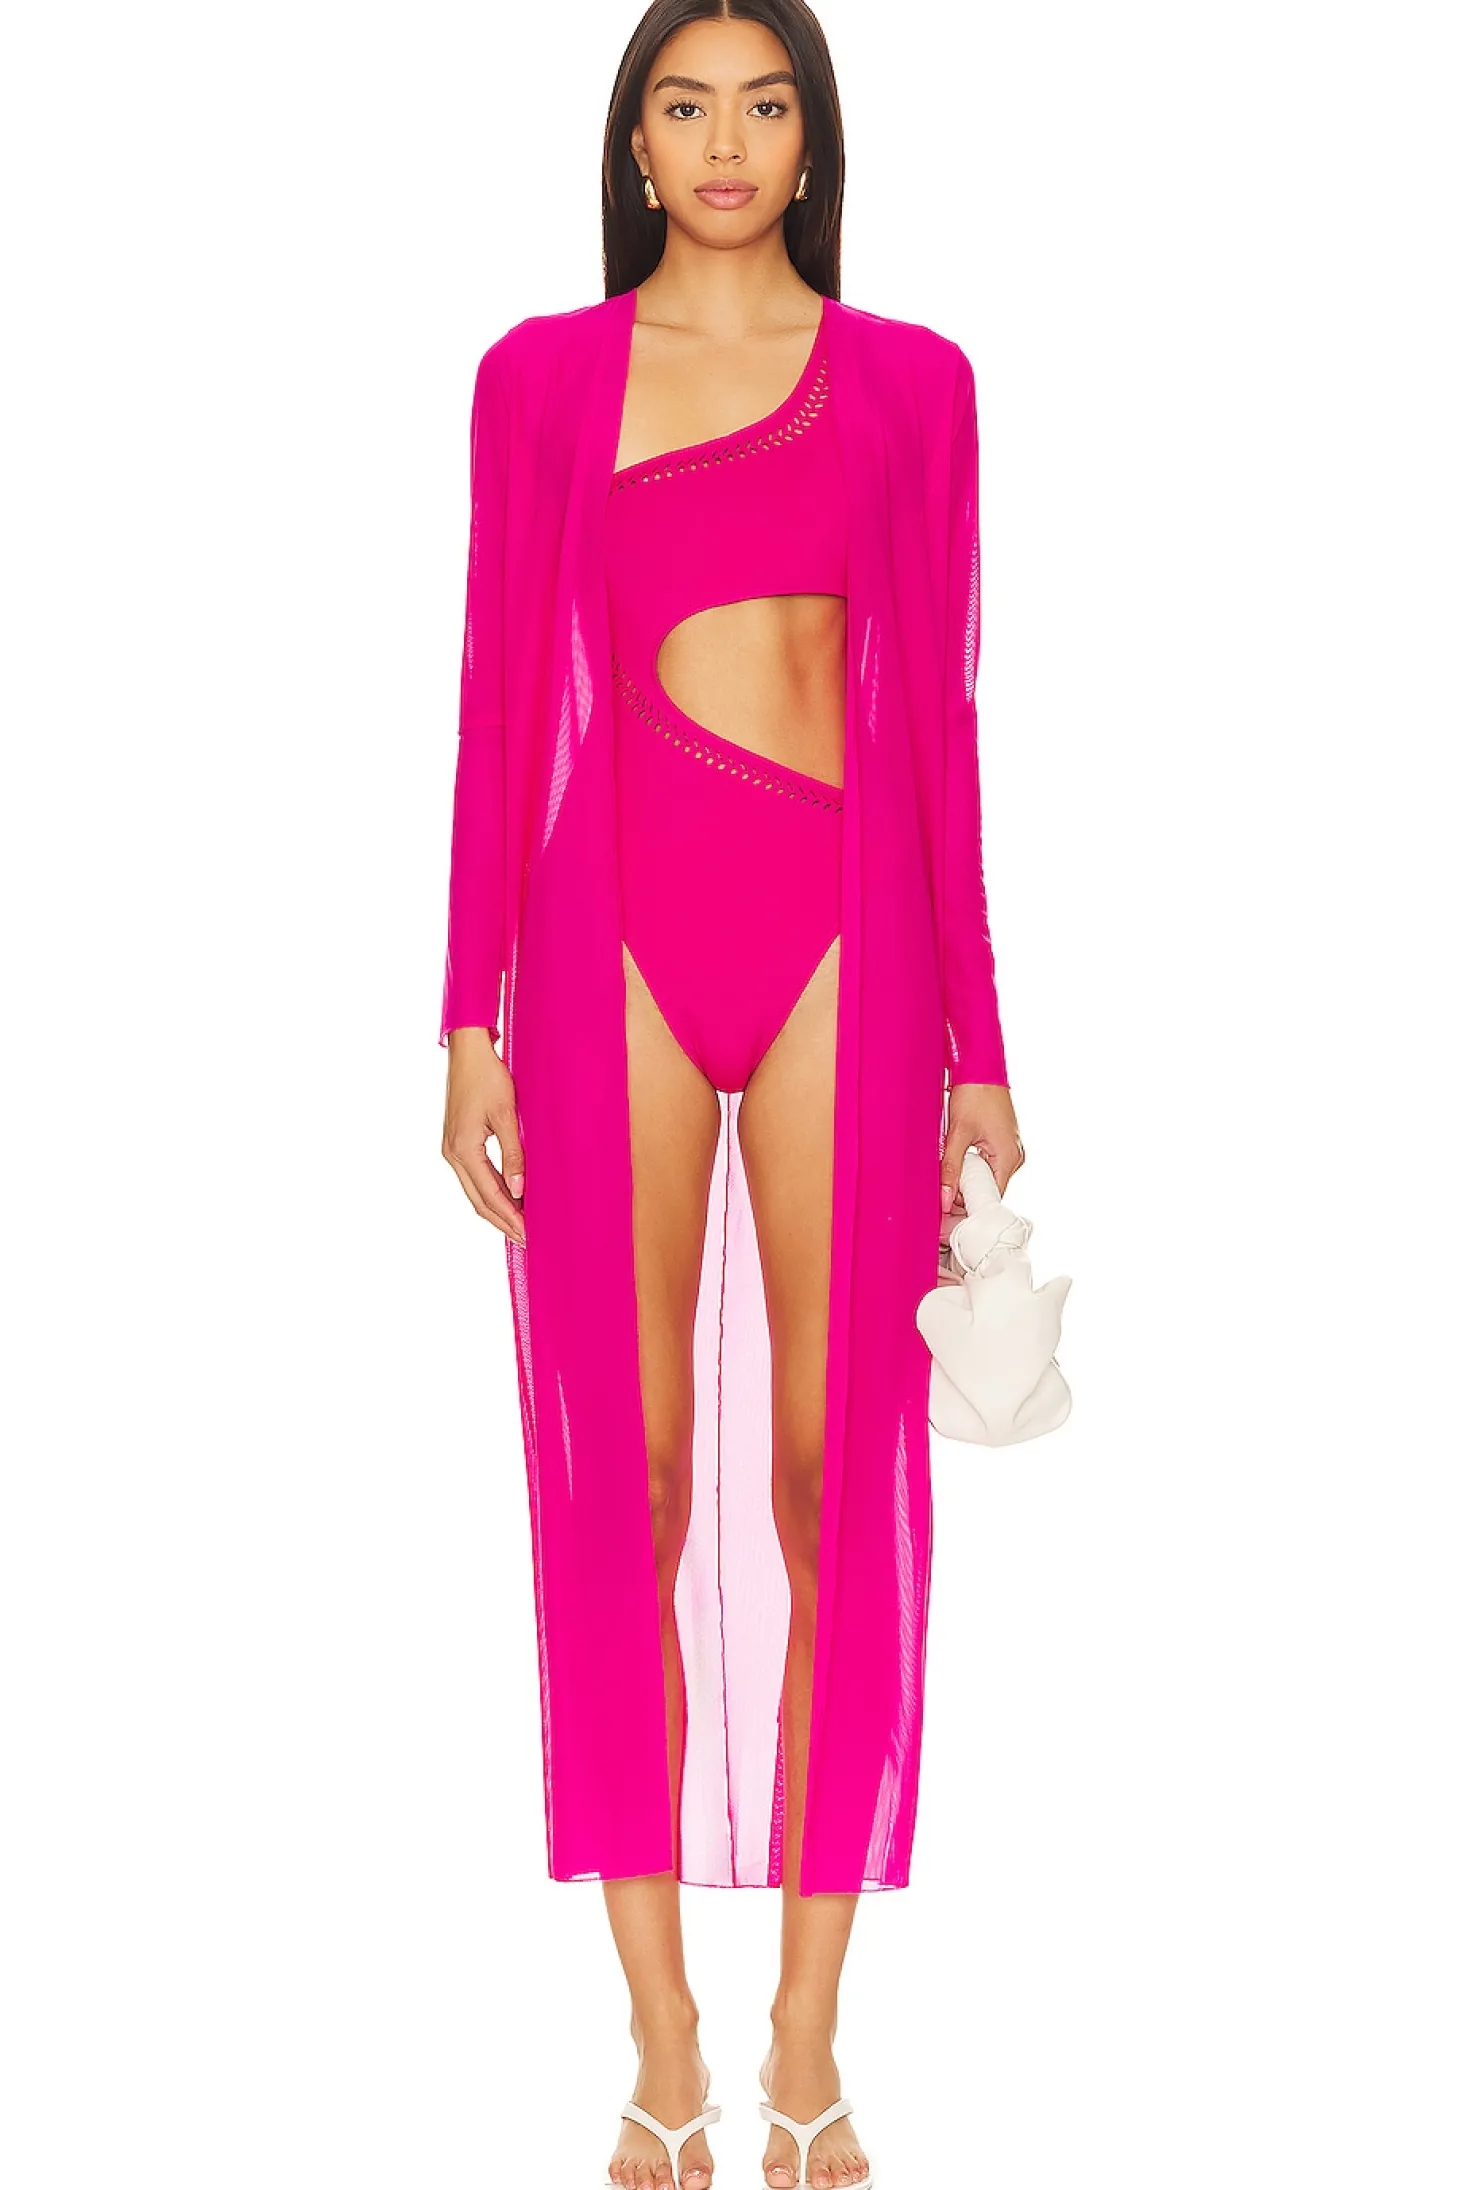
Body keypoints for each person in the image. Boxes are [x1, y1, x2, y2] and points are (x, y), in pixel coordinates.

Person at [439, 5, 1024, 2185]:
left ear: (811, 141)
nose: (722, 140)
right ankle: (661, 2036)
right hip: (604, 924)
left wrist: (984, 1040)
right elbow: (499, 689)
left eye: (763, 106)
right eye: (683, 105)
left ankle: (807, 2034)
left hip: (847, 938)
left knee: (824, 1464)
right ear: (634, 140)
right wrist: (466, 1012)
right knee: (635, 1468)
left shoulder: (913, 383)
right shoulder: (539, 379)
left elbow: (940, 713)